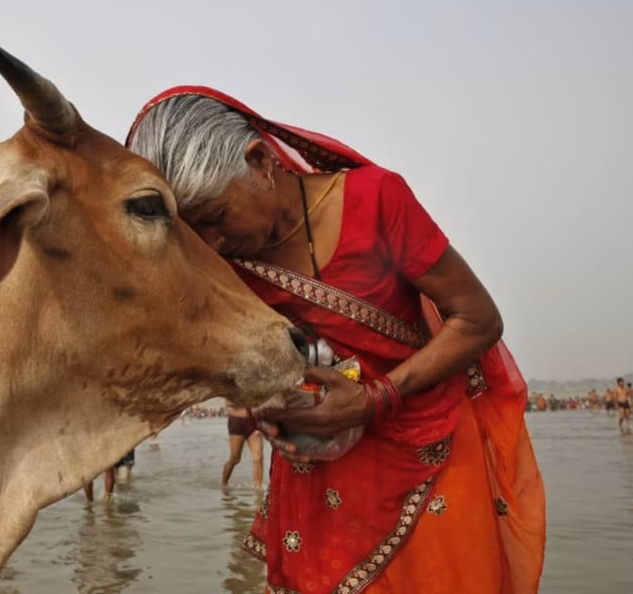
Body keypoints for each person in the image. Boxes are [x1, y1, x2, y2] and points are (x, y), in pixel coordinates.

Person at [127, 87, 546, 593]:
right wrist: (271, 411)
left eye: (217, 218)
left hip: (426, 444)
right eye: (199, 235)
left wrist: (372, 401)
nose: (214, 245)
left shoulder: (376, 202)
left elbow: (478, 319)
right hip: (319, 467)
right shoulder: (227, 267)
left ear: (259, 161)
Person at [223, 398, 265, 490]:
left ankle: (258, 489)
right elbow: (229, 407)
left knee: (258, 458)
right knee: (235, 459)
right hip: (237, 422)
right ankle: (224, 484)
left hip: (253, 421)